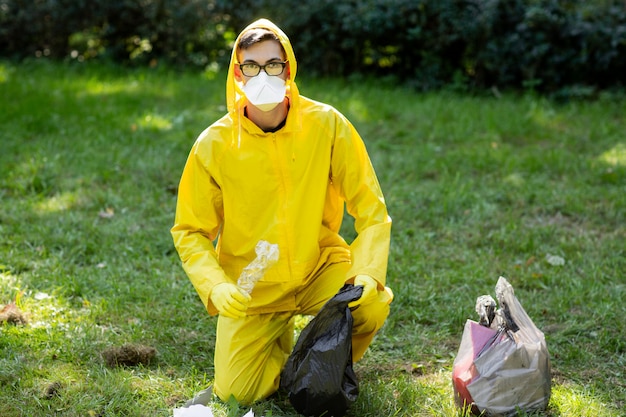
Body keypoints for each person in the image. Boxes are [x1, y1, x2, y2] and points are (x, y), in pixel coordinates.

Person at [171, 18, 393, 405]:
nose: (263, 74)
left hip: (317, 265)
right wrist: (216, 285)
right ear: (237, 75)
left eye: (273, 64)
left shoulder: (327, 125)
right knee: (236, 394)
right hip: (252, 287)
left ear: (288, 68)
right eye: (251, 66)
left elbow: (371, 208)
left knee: (369, 305)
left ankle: (322, 362)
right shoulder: (214, 145)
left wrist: (369, 271)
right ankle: (292, 356)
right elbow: (190, 230)